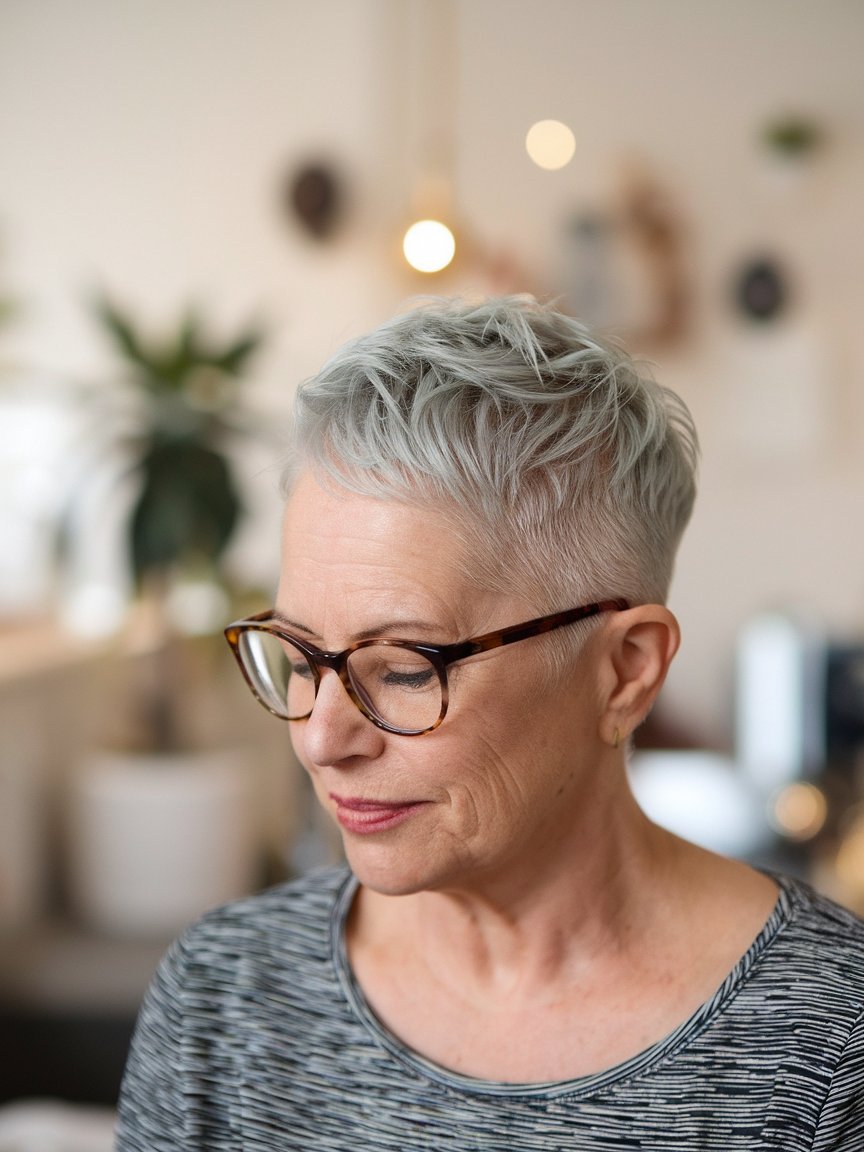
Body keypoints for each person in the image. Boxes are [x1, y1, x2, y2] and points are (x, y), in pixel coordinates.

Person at [116, 296, 864, 1150]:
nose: (321, 740)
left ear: (625, 672)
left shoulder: (830, 1049)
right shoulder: (225, 1007)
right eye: (298, 656)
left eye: (403, 669)